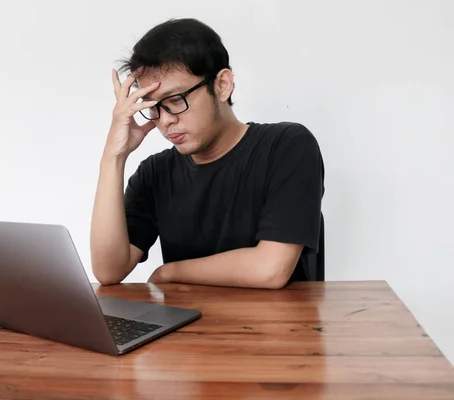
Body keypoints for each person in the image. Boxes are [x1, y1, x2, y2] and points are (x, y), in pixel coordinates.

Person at [90, 18, 325, 289]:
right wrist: (114, 156)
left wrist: (170, 272)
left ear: (222, 85)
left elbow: (270, 269)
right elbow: (109, 270)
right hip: (190, 328)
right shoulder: (155, 173)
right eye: (153, 107)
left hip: (278, 327)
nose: (164, 121)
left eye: (176, 100)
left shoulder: (287, 146)